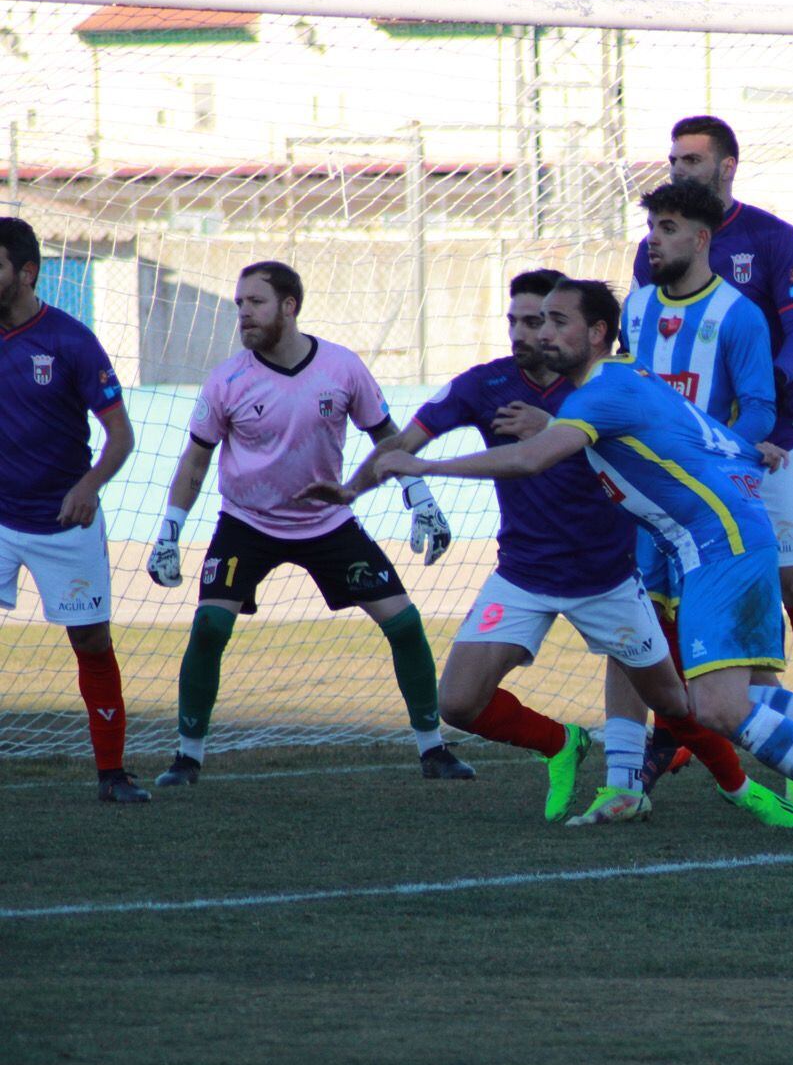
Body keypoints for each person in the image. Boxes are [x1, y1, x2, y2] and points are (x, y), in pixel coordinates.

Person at [359, 279, 793, 852]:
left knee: (718, 707)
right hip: (723, 541)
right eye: (537, 321)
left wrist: (424, 466)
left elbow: (529, 460)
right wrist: (750, 451)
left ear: (598, 333)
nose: (544, 334)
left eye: (557, 322)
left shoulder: (598, 395)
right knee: (734, 696)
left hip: (717, 546)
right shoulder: (628, 378)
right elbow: (694, 432)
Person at [334, 268, 727, 826]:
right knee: (458, 703)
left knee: (676, 703)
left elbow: (649, 449)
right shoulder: (483, 385)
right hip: (522, 574)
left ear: (568, 328)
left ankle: (738, 786)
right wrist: (351, 489)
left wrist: (552, 426)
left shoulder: (604, 387)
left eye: (538, 320)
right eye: (515, 320)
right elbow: (403, 445)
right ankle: (562, 742)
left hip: (608, 574)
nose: (525, 333)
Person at [145, 260, 469, 785]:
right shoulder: (226, 380)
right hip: (246, 523)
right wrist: (169, 531)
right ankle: (187, 758)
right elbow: (196, 462)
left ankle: (434, 751)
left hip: (327, 524)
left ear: (289, 307)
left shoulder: (342, 368)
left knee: (406, 624)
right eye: (239, 305)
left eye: (255, 303)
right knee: (208, 627)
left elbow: (387, 437)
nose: (243, 315)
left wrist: (420, 496)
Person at [631, 116, 793, 716]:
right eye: (674, 160)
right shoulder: (656, 249)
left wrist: (768, 397)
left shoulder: (772, 237)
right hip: (687, 455)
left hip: (770, 438)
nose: (678, 170)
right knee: (669, 595)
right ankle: (676, 740)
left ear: (727, 166)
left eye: (692, 161)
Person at [0, 217, 149, 801]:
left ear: (26, 272)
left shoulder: (70, 341)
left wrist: (89, 486)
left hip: (64, 522)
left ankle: (112, 774)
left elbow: (121, 436)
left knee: (90, 642)